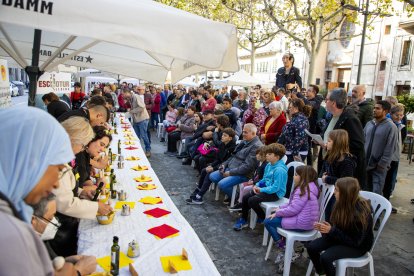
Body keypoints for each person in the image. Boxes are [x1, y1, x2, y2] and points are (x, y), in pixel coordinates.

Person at [0, 106, 79, 275]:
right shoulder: (9, 235)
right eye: (57, 169)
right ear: (30, 161)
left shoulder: (10, 210)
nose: (56, 184)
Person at [306, 177, 374, 276]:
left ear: (346, 194)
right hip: (342, 237)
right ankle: (322, 272)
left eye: (336, 190)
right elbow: (338, 227)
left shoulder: (360, 213)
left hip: (358, 246)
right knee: (311, 247)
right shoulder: (340, 203)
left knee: (326, 257)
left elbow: (355, 242)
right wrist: (326, 229)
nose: (334, 192)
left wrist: (332, 231)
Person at [264, 165, 320, 272]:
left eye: (296, 175)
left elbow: (293, 209)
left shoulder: (302, 190)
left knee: (268, 221)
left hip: (301, 223)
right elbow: (292, 205)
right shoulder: (309, 187)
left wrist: (278, 213)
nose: (294, 177)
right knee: (274, 217)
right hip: (306, 222)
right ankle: (289, 247)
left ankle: (285, 249)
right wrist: (280, 208)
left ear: (303, 177)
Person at [31, 195, 97, 275]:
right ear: (33, 220)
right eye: (50, 218)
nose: (54, 223)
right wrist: (78, 271)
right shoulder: (23, 247)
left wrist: (65, 262)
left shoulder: (35, 241)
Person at [316, 88, 366, 190]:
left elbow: (358, 144)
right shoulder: (333, 116)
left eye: (327, 99)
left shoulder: (350, 119)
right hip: (329, 163)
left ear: (333, 103)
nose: (325, 102)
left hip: (340, 169)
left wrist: (334, 146)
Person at [233, 143, 288, 231]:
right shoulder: (269, 165)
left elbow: (275, 188)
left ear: (277, 157)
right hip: (266, 189)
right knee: (246, 196)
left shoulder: (280, 170)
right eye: (267, 153)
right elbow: (264, 179)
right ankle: (243, 219)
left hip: (276, 193)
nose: (266, 155)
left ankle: (262, 217)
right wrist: (257, 185)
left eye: (269, 154)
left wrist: (261, 189)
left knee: (252, 200)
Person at [209, 123, 263, 200]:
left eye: (245, 132)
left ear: (253, 133)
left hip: (243, 174)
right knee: (212, 176)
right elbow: (232, 156)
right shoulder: (244, 141)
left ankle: (237, 197)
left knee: (222, 184)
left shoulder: (256, 146)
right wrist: (224, 165)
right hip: (231, 167)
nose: (243, 134)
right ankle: (231, 192)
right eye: (243, 131)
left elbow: (247, 166)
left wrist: (231, 173)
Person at [186, 128, 237, 205]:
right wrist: (211, 166)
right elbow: (218, 159)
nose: (222, 137)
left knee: (209, 174)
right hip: (219, 165)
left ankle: (199, 196)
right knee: (204, 170)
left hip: (226, 168)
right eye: (222, 135)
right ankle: (198, 190)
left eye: (225, 136)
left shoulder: (233, 148)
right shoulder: (222, 144)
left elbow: (226, 162)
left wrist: (214, 168)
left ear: (230, 138)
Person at [320, 129, 356, 220]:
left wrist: (327, 179)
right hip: (329, 192)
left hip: (338, 197)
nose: (326, 143)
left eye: (329, 141)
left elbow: (346, 182)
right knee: (327, 216)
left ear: (337, 143)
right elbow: (324, 171)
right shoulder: (330, 155)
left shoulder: (347, 161)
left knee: (332, 219)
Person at [364, 100, 398, 194]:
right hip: (366, 164)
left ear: (385, 111)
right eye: (374, 108)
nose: (374, 110)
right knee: (365, 191)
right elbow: (363, 141)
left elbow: (390, 148)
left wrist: (382, 164)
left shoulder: (391, 127)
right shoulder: (369, 124)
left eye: (378, 108)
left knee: (376, 192)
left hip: (379, 167)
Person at [229, 147, 268, 211]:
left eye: (259, 154)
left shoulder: (265, 165)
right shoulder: (259, 163)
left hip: (260, 184)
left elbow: (263, 178)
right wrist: (252, 179)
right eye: (257, 154)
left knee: (246, 188)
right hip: (255, 181)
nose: (257, 155)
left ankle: (244, 205)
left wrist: (254, 182)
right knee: (242, 185)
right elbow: (255, 174)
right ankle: (240, 202)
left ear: (264, 156)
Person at [383, 104, 405, 211]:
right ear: (391, 114)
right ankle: (384, 204)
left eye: (401, 115)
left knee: (390, 182)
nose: (399, 117)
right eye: (397, 115)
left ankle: (387, 203)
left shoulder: (399, 124)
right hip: (390, 159)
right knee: (386, 183)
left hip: (395, 157)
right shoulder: (390, 125)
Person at [278, 98, 310, 163]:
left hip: (297, 152)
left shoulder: (301, 119)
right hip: (291, 150)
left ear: (295, 108)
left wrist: (295, 153)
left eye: (290, 107)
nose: (288, 109)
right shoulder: (295, 118)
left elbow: (300, 138)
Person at [123, 89, 151, 158]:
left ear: (127, 92)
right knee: (136, 136)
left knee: (144, 135)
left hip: (142, 119)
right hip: (137, 120)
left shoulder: (136, 96)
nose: (123, 95)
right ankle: (137, 151)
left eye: (124, 94)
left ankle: (148, 150)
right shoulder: (130, 98)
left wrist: (132, 111)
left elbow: (142, 107)